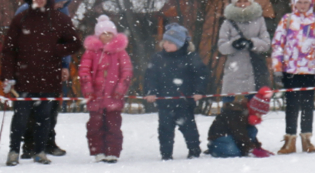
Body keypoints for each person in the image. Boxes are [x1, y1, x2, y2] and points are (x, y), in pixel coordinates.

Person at [3, 0, 82, 166]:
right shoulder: (22, 16)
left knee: (47, 113)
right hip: (25, 73)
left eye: (64, 3)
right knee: (22, 114)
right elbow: (10, 48)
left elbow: (71, 43)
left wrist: (61, 60)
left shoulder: (60, 16)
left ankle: (43, 147)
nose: (61, 6)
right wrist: (9, 74)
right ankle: (20, 148)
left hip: (49, 74)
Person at [270, 0, 315, 154]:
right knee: (291, 105)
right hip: (291, 71)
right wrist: (277, 69)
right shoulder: (287, 20)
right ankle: (289, 139)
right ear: (294, 3)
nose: (302, 6)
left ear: (311, 2)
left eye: (306, 2)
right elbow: (277, 45)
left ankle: (306, 138)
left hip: (310, 71)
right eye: (299, 2)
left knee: (307, 105)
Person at [144, 23, 209, 160]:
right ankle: (166, 154)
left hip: (185, 102)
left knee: (189, 128)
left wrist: (199, 91)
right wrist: (151, 91)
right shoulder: (158, 58)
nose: (166, 45)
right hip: (165, 103)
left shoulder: (191, 58)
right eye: (165, 42)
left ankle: (194, 150)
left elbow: (201, 75)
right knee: (164, 129)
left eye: (170, 42)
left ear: (180, 44)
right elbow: (151, 76)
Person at [78, 15, 131, 162]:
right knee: (94, 126)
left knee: (113, 126)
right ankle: (98, 151)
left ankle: (112, 151)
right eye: (104, 34)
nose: (107, 36)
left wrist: (120, 89)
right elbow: (84, 71)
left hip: (114, 97)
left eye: (109, 33)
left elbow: (126, 72)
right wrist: (88, 89)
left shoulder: (120, 52)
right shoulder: (90, 52)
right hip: (95, 98)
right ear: (98, 35)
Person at [218, 0, 271, 98]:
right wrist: (233, 44)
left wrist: (253, 43)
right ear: (234, 2)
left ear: (250, 2)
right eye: (239, 1)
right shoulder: (227, 23)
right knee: (230, 109)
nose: (242, 4)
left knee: (252, 111)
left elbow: (266, 44)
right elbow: (221, 47)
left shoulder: (259, 20)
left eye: (245, 1)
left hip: (254, 70)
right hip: (234, 72)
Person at [206, 88, 275, 158]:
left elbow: (245, 133)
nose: (260, 117)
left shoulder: (247, 113)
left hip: (232, 135)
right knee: (233, 153)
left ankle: (236, 147)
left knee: (252, 130)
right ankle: (214, 148)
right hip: (220, 135)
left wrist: (257, 147)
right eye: (259, 114)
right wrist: (251, 149)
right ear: (254, 110)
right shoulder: (236, 113)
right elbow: (239, 133)